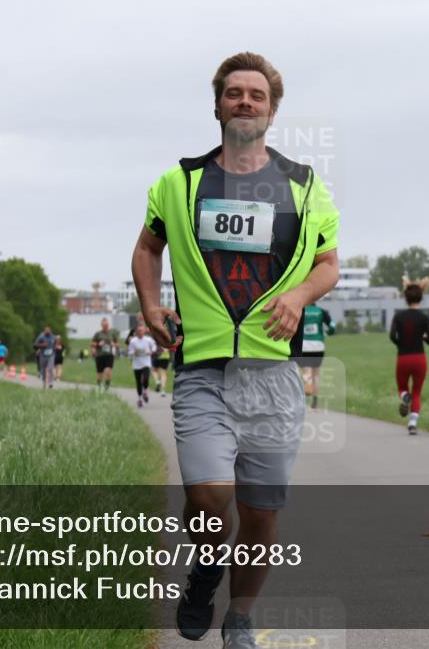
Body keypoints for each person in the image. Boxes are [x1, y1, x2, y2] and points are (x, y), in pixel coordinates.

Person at [131, 52, 339, 648]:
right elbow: (146, 250)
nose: (245, 101)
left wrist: (299, 295)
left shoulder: (305, 187)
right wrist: (151, 305)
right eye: (234, 93)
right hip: (204, 370)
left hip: (272, 374)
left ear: (272, 111)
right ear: (218, 106)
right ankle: (205, 569)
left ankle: (241, 617)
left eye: (257, 95)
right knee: (208, 496)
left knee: (261, 512)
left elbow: (328, 264)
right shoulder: (178, 184)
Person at [390, 277, 429, 435]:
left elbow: (392, 336)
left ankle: (405, 397)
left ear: (406, 298)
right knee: (417, 391)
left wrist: (401, 344)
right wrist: (423, 337)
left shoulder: (398, 317)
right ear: (421, 297)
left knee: (402, 388)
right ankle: (412, 424)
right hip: (419, 359)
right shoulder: (425, 318)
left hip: (403, 358)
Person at [297, 302, 335, 410]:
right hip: (318, 346)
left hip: (304, 345)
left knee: (306, 370)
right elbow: (332, 325)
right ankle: (314, 400)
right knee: (316, 373)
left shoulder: (301, 310)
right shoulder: (321, 311)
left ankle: (307, 383)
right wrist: (330, 332)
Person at [127, 323, 157, 407]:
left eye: (142, 330)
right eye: (139, 330)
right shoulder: (133, 341)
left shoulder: (148, 340)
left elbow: (154, 347)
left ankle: (145, 391)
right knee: (138, 382)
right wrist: (134, 352)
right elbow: (130, 352)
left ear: (144, 331)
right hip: (136, 363)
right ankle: (140, 399)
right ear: (136, 331)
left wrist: (151, 351)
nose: (140, 332)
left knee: (146, 379)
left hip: (146, 362)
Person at [91, 318, 118, 390]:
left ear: (108, 325)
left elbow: (118, 344)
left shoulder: (112, 333)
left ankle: (107, 384)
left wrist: (113, 344)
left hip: (109, 355)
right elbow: (92, 343)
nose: (105, 326)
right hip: (99, 355)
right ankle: (100, 386)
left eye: (107, 325)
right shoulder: (98, 334)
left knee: (108, 370)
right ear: (101, 325)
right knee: (100, 374)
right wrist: (98, 344)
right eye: (104, 325)